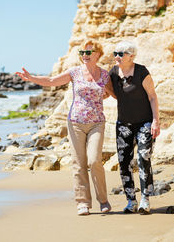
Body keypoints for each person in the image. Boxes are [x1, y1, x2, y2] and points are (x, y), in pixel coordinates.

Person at [16, 40, 114, 216]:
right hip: (75, 122)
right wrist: (32, 78)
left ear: (98, 54)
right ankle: (83, 202)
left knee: (94, 161)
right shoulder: (74, 72)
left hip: (97, 123)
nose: (84, 55)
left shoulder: (105, 75)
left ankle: (103, 200)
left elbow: (117, 94)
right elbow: (52, 80)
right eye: (82, 52)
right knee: (78, 164)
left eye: (88, 52)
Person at [107, 40, 160, 215]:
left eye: (121, 54)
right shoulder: (114, 72)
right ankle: (131, 201)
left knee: (144, 157)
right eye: (115, 53)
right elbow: (112, 93)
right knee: (123, 162)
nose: (117, 57)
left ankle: (145, 198)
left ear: (131, 56)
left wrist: (155, 121)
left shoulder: (141, 71)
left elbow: (152, 96)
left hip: (144, 122)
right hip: (123, 123)